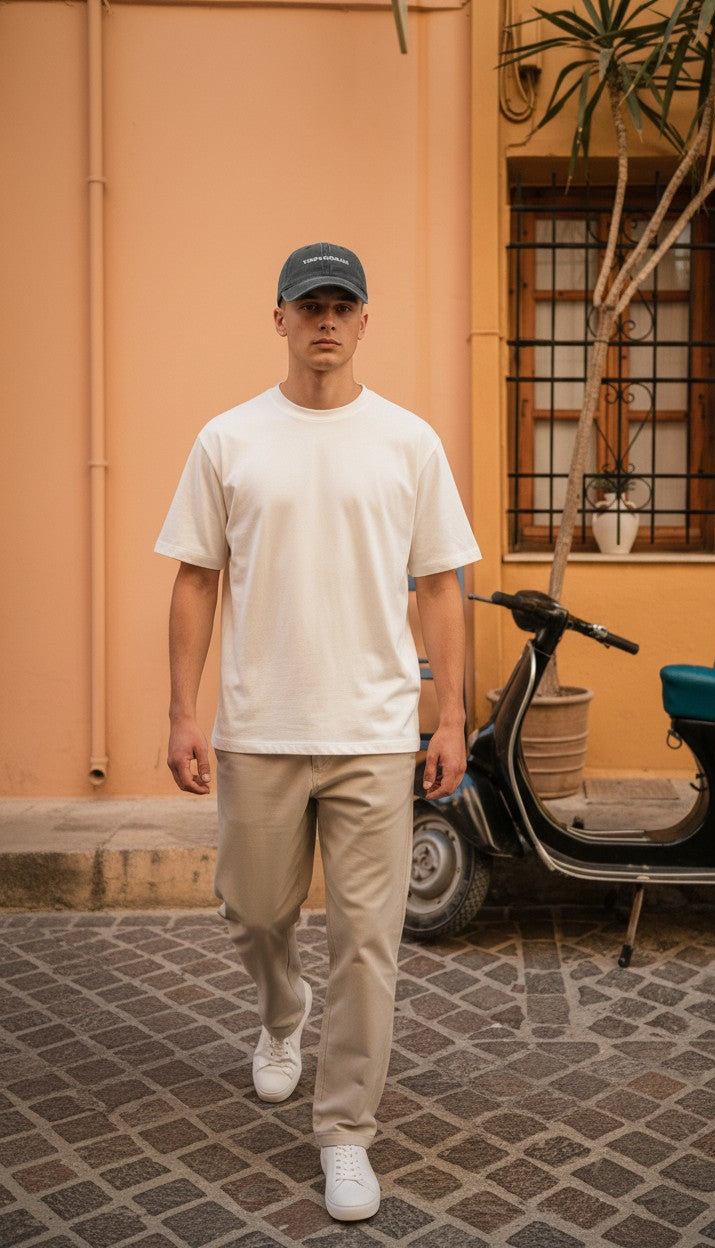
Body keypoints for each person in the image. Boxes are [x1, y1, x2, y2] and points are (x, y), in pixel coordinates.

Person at [155, 242, 480, 1222]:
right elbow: (196, 578)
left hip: (375, 733)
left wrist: (452, 715)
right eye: (310, 305)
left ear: (364, 320)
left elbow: (440, 588)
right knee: (253, 910)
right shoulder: (229, 440)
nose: (326, 321)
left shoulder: (408, 443)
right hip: (257, 727)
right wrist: (181, 711)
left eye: (342, 305)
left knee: (367, 942)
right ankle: (280, 1009)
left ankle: (345, 1132)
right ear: (281, 319)